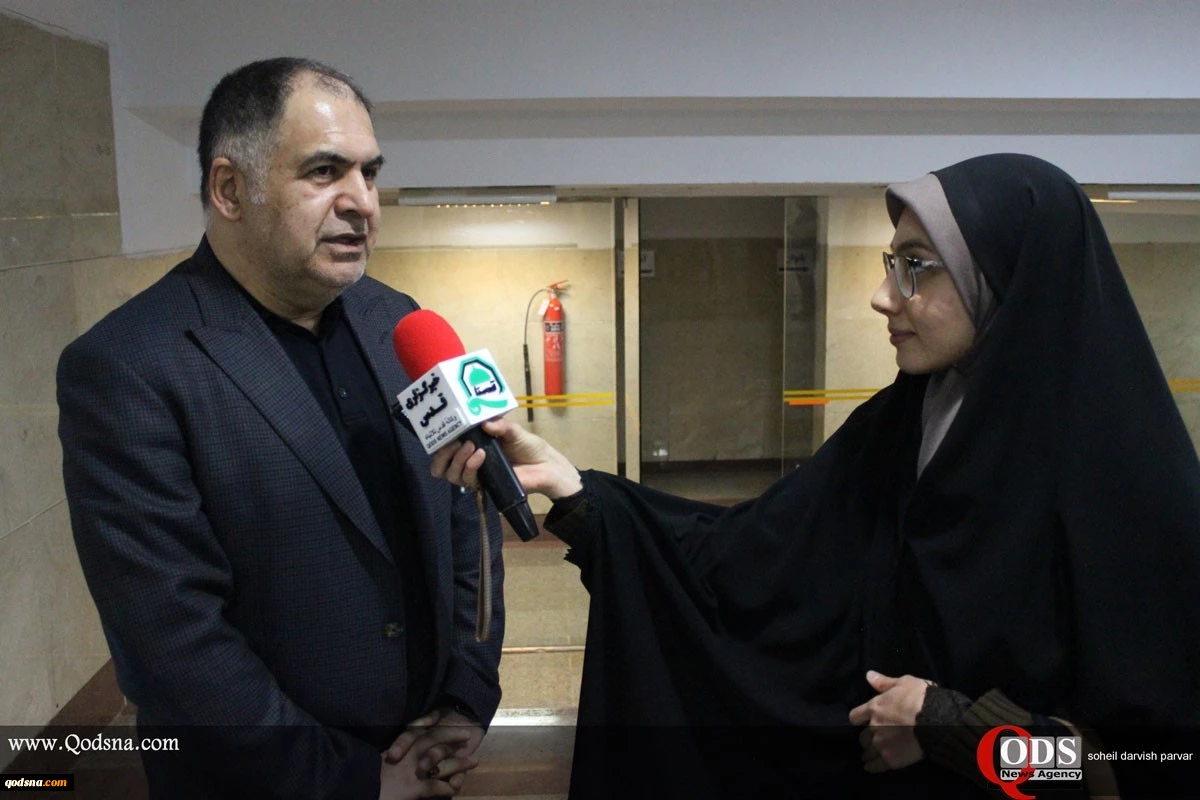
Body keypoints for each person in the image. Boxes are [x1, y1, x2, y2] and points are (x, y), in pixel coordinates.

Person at [434, 154, 1200, 798]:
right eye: (890, 264)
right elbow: (744, 563)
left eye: (917, 267)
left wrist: (957, 729)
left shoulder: (1132, 493)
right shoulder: (907, 424)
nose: (882, 296)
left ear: (1008, 281)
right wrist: (577, 492)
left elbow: (1150, 762)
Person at [57, 58, 504, 799]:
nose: (363, 203)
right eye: (325, 172)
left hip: (427, 755)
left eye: (369, 173)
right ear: (230, 189)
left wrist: (465, 695)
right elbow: (171, 638)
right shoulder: (128, 367)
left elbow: (466, 519)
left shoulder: (397, 321)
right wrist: (354, 781)